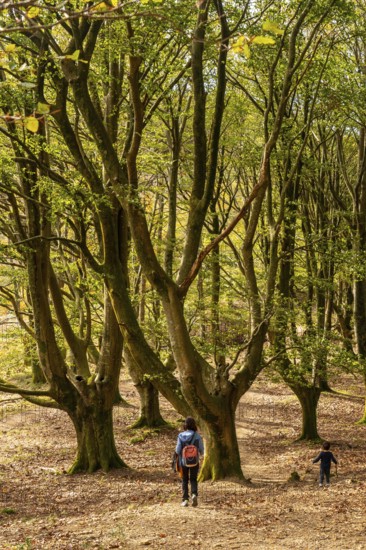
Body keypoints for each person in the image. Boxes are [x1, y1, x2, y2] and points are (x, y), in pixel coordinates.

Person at [175, 417, 204, 507]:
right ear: (194, 425)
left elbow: (177, 450)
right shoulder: (197, 436)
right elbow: (201, 450)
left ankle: (185, 499)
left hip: (183, 461)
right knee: (193, 479)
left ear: (185, 425)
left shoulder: (180, 436)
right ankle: (194, 494)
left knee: (184, 479)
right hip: (195, 461)